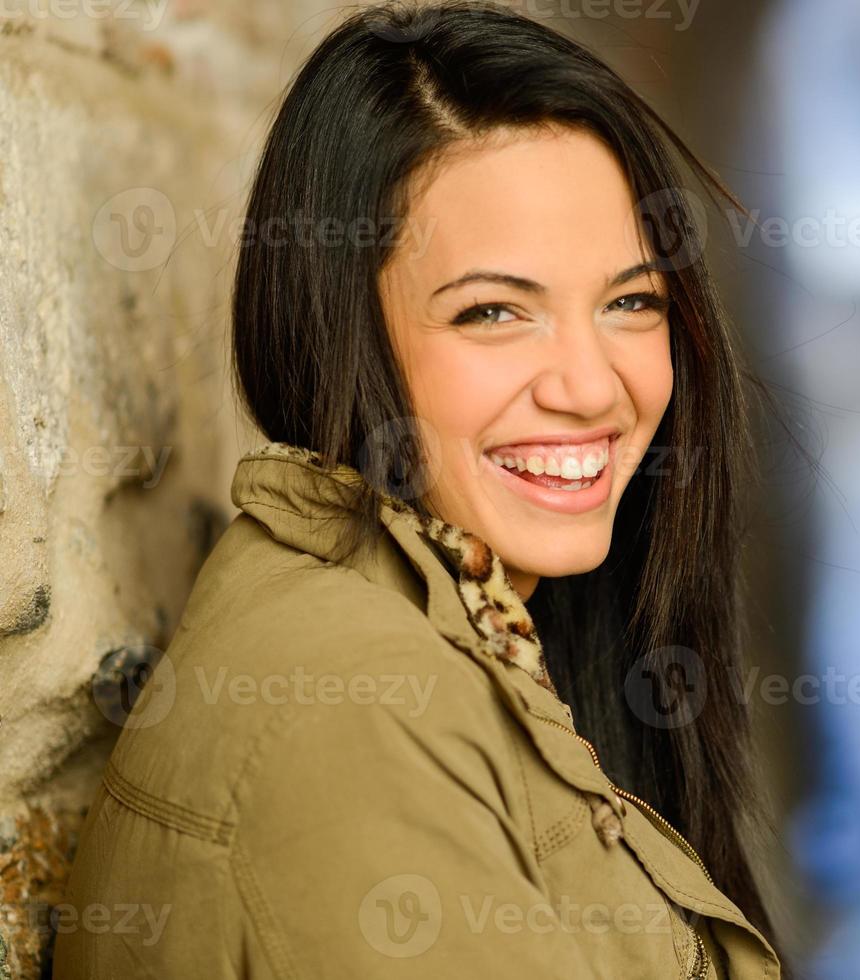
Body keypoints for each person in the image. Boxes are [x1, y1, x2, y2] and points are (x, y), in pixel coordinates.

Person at [53, 3, 781, 977]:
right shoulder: (347, 722)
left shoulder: (476, 629)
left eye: (630, 301)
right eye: (491, 311)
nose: (591, 386)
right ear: (338, 329)